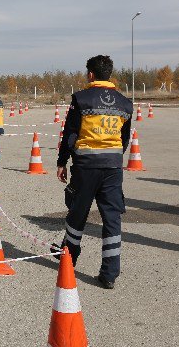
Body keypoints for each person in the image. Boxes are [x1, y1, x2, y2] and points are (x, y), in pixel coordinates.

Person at [56, 55, 133, 289]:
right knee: (111, 217)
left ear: (90, 74)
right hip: (112, 166)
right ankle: (110, 273)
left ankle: (69, 257)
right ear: (109, 74)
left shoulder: (81, 98)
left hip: (86, 165)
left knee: (77, 212)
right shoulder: (124, 103)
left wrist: (62, 161)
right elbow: (125, 138)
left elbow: (70, 133)